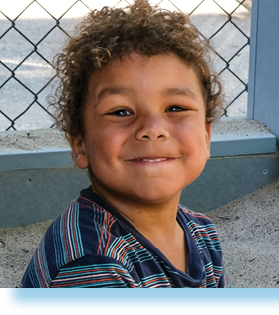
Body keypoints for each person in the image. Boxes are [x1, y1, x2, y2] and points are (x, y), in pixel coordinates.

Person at [20, 0, 229, 288]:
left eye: (176, 108)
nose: (152, 130)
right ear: (79, 143)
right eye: (121, 112)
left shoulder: (202, 232)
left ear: (206, 136)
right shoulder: (92, 264)